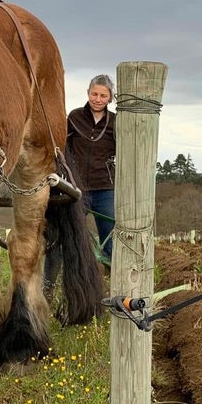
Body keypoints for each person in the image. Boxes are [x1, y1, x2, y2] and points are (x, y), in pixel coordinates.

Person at [66, 74, 116, 265]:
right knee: (69, 235)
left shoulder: (116, 122)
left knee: (110, 240)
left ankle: (113, 277)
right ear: (88, 93)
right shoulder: (75, 117)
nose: (98, 99)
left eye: (103, 96)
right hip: (76, 189)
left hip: (104, 189)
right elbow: (63, 147)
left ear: (110, 98)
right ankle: (53, 278)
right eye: (94, 94)